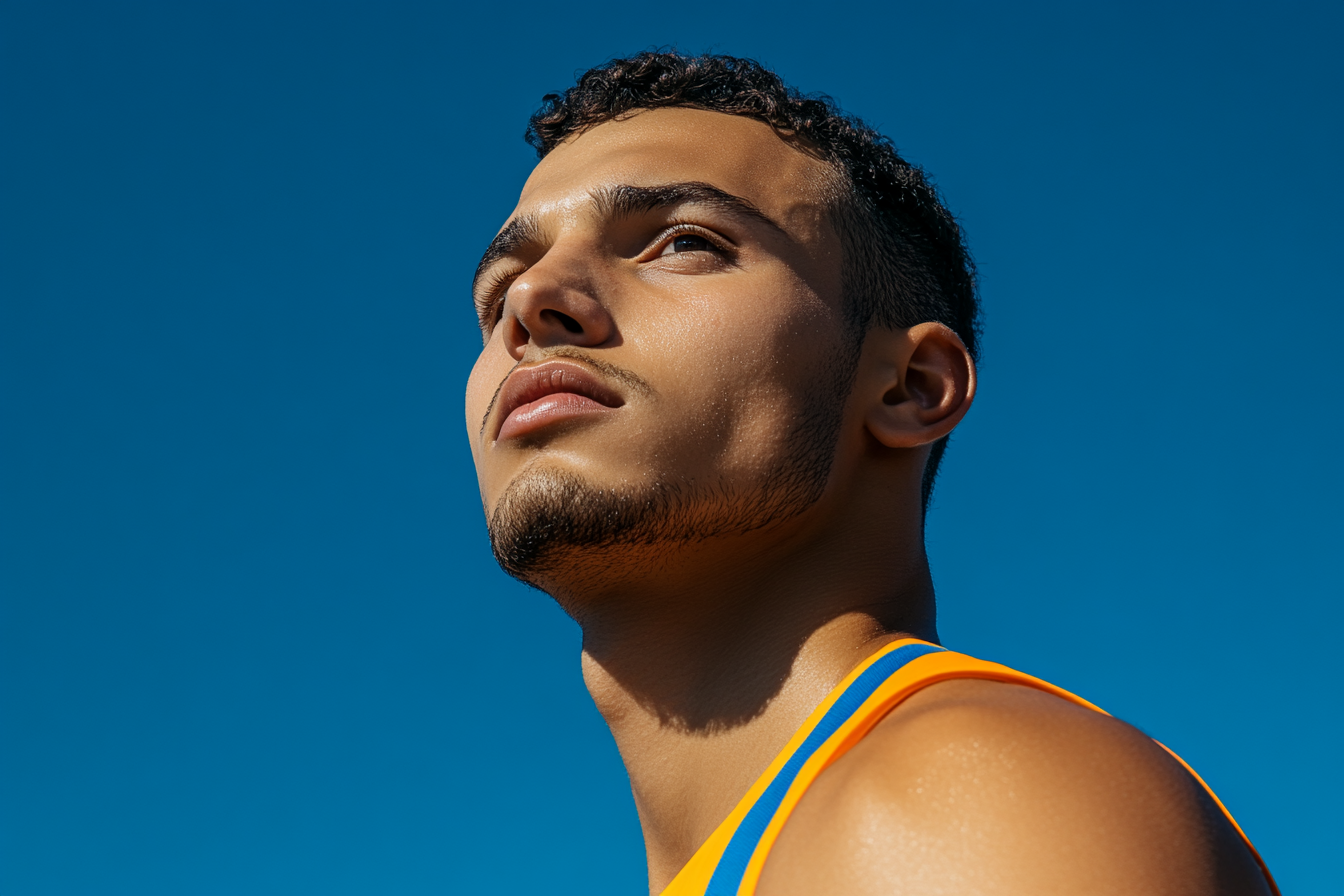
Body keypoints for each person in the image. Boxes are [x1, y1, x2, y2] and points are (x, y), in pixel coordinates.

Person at [464, 52, 1277, 896]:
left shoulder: (957, 797)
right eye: (498, 290)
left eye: (684, 243)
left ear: (909, 387)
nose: (534, 302)